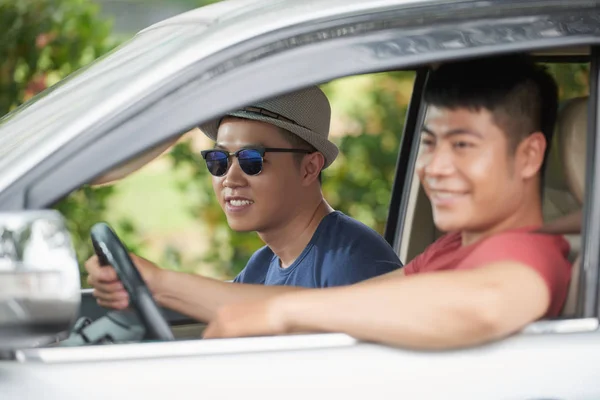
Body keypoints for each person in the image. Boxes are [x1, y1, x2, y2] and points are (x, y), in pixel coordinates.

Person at [201, 54, 573, 349]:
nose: (433, 168)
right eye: (428, 144)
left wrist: (283, 312)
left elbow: (490, 306)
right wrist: (160, 283)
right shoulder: (452, 248)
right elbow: (364, 299)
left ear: (527, 156)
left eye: (462, 145)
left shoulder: (532, 255)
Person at [85, 86, 402, 322]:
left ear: (309, 168)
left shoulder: (353, 265)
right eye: (218, 159)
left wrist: (157, 283)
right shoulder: (263, 266)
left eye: (252, 160)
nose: (230, 178)